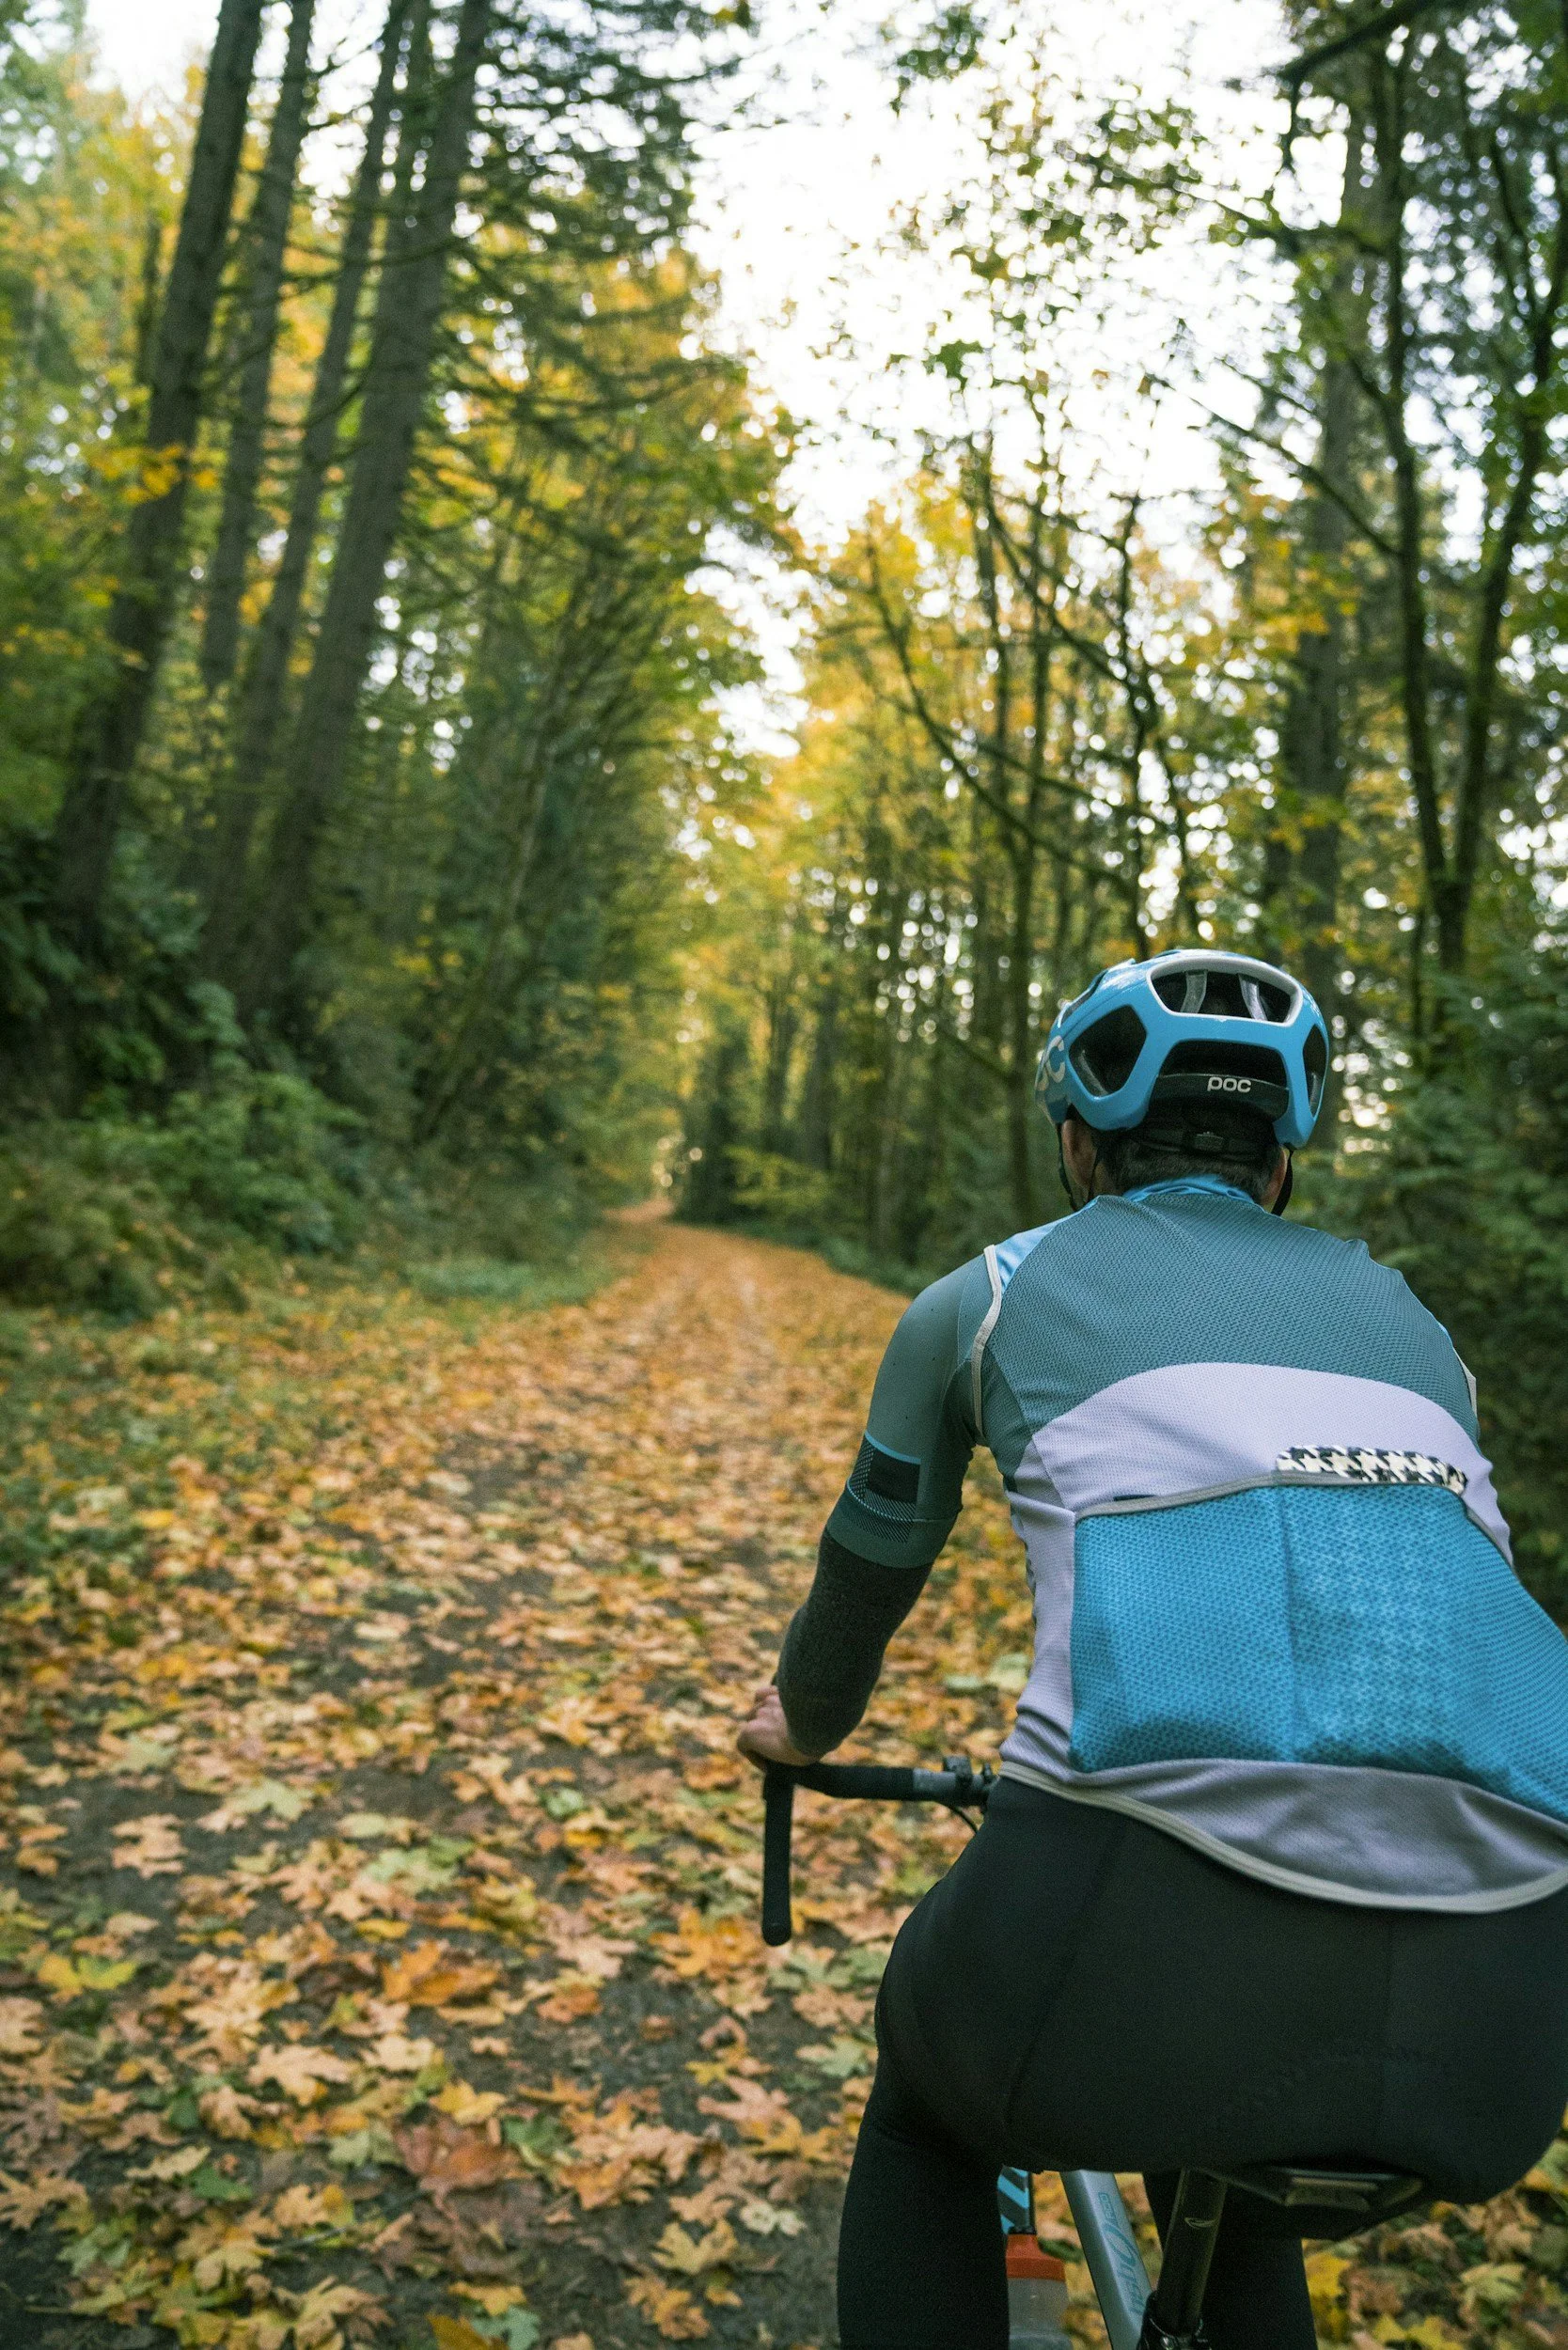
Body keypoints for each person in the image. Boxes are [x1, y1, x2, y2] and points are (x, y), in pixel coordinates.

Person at [737, 947, 1568, 2350]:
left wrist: (802, 1729)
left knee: (935, 2109)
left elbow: (864, 1577)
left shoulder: (987, 1298)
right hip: (1507, 2007)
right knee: (1231, 2173)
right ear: (1283, 1163)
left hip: (1132, 1910)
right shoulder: (1425, 1339)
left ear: (1078, 1140)